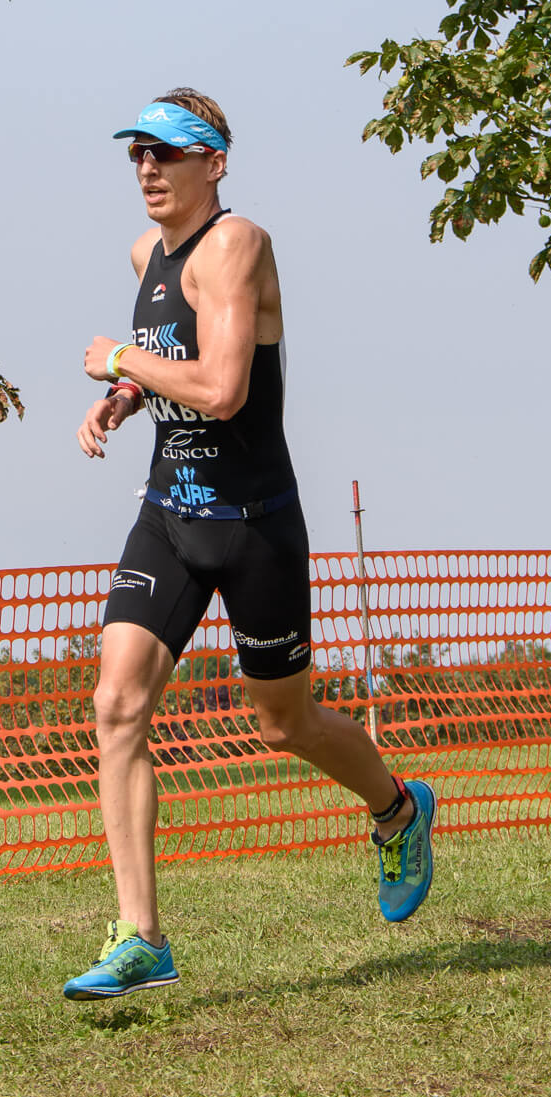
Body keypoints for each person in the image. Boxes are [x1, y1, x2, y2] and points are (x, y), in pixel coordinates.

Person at [62, 87, 436, 1002]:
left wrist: (120, 361)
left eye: (166, 152)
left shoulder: (237, 244)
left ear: (214, 163)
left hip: (253, 524)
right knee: (116, 705)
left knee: (283, 723)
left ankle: (396, 809)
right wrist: (127, 396)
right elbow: (176, 362)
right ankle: (140, 938)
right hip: (168, 516)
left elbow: (225, 389)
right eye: (136, 153)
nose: (147, 167)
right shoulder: (147, 253)